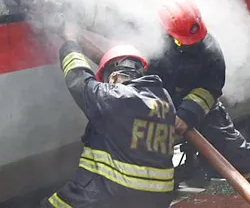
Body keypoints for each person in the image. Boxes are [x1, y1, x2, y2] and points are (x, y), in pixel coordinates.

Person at [147, 0, 250, 208]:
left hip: (202, 110)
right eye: (182, 41)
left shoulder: (209, 49)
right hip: (159, 109)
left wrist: (187, 114)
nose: (191, 44)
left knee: (238, 153)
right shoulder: (149, 44)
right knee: (150, 161)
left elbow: (210, 88)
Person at [40, 22, 177, 208]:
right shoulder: (165, 100)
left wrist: (70, 41)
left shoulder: (115, 97)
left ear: (112, 77)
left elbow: (78, 78)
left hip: (114, 194)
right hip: (158, 199)